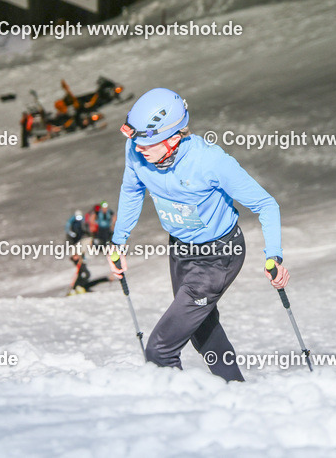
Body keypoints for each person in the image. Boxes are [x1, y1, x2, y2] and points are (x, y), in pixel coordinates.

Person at [108, 88, 288, 382]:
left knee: (160, 351)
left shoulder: (210, 161)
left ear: (174, 138)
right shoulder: (136, 151)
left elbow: (266, 204)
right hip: (180, 250)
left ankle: (188, 416)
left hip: (219, 256)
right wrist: (119, 242)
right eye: (135, 141)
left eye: (147, 143)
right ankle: (236, 392)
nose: (139, 149)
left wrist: (274, 256)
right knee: (201, 328)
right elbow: (131, 190)